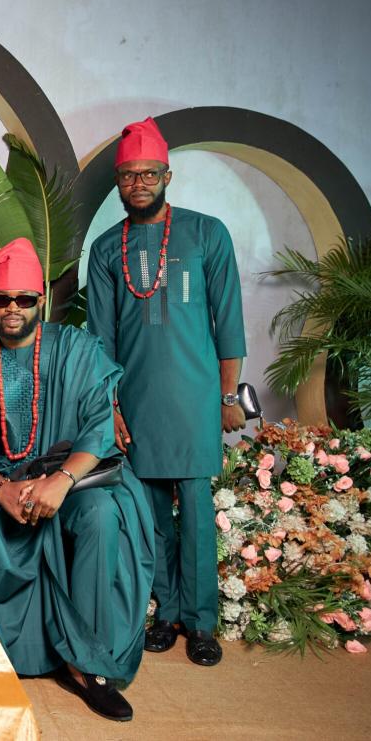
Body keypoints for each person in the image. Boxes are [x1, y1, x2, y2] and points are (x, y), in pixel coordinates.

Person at [0, 238, 155, 722]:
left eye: (23, 298)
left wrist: (61, 480)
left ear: (41, 299)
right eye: (1, 299)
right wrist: (1, 488)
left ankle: (88, 664)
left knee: (101, 514)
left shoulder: (76, 349)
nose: (12, 308)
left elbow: (99, 425)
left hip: (71, 475)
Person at [86, 117, 247, 668]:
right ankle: (168, 613)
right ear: (118, 183)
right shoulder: (106, 249)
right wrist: (110, 408)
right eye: (128, 176)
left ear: (168, 176)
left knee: (196, 512)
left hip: (196, 398)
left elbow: (229, 322)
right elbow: (101, 340)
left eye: (149, 174)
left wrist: (228, 398)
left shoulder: (207, 234)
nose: (139, 184)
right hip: (136, 402)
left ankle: (202, 623)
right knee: (151, 513)